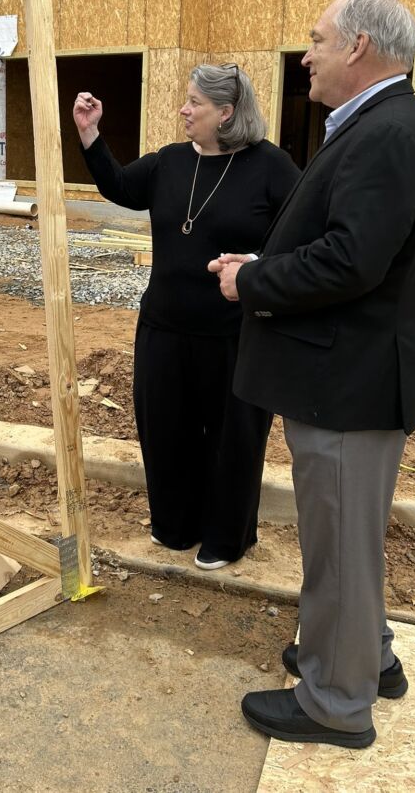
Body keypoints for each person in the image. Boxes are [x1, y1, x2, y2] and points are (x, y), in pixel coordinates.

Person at [209, 0, 415, 749]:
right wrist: (266, 261)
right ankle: (362, 658)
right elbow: (347, 243)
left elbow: (351, 261)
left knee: (339, 542)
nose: (305, 55)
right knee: (348, 539)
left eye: (316, 40)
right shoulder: (387, 125)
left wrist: (251, 280)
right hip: (353, 376)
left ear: (357, 47)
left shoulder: (386, 133)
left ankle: (336, 702)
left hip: (348, 384)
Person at [73, 65, 299, 569]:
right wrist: (90, 134)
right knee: (165, 430)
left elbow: (302, 235)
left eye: (194, 101)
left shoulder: (271, 166)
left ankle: (226, 537)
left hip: (235, 335)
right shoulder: (170, 162)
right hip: (164, 329)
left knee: (232, 439)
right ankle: (174, 524)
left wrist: (260, 268)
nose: (183, 109)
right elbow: (119, 187)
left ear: (226, 112)